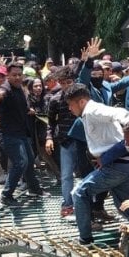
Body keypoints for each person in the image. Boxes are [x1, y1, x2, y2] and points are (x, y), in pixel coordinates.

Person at [65, 83, 129, 245]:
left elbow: (123, 114)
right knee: (123, 203)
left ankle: (85, 239)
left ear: (81, 102)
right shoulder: (89, 113)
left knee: (78, 193)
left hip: (115, 167)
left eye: (70, 104)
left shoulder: (92, 110)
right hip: (123, 165)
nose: (69, 109)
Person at [0, 63, 45, 207]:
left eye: (19, 74)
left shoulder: (20, 89)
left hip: (21, 133)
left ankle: (34, 189)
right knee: (20, 162)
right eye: (14, 75)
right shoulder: (5, 88)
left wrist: (30, 110)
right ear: (8, 76)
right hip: (8, 133)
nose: (17, 77)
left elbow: (22, 107)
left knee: (28, 160)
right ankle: (6, 195)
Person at [46, 66, 91, 218]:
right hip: (65, 141)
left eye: (69, 82)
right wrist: (49, 138)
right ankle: (67, 204)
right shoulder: (55, 99)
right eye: (63, 82)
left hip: (84, 141)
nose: (66, 85)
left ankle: (88, 203)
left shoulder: (83, 98)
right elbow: (50, 122)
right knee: (66, 175)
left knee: (86, 173)